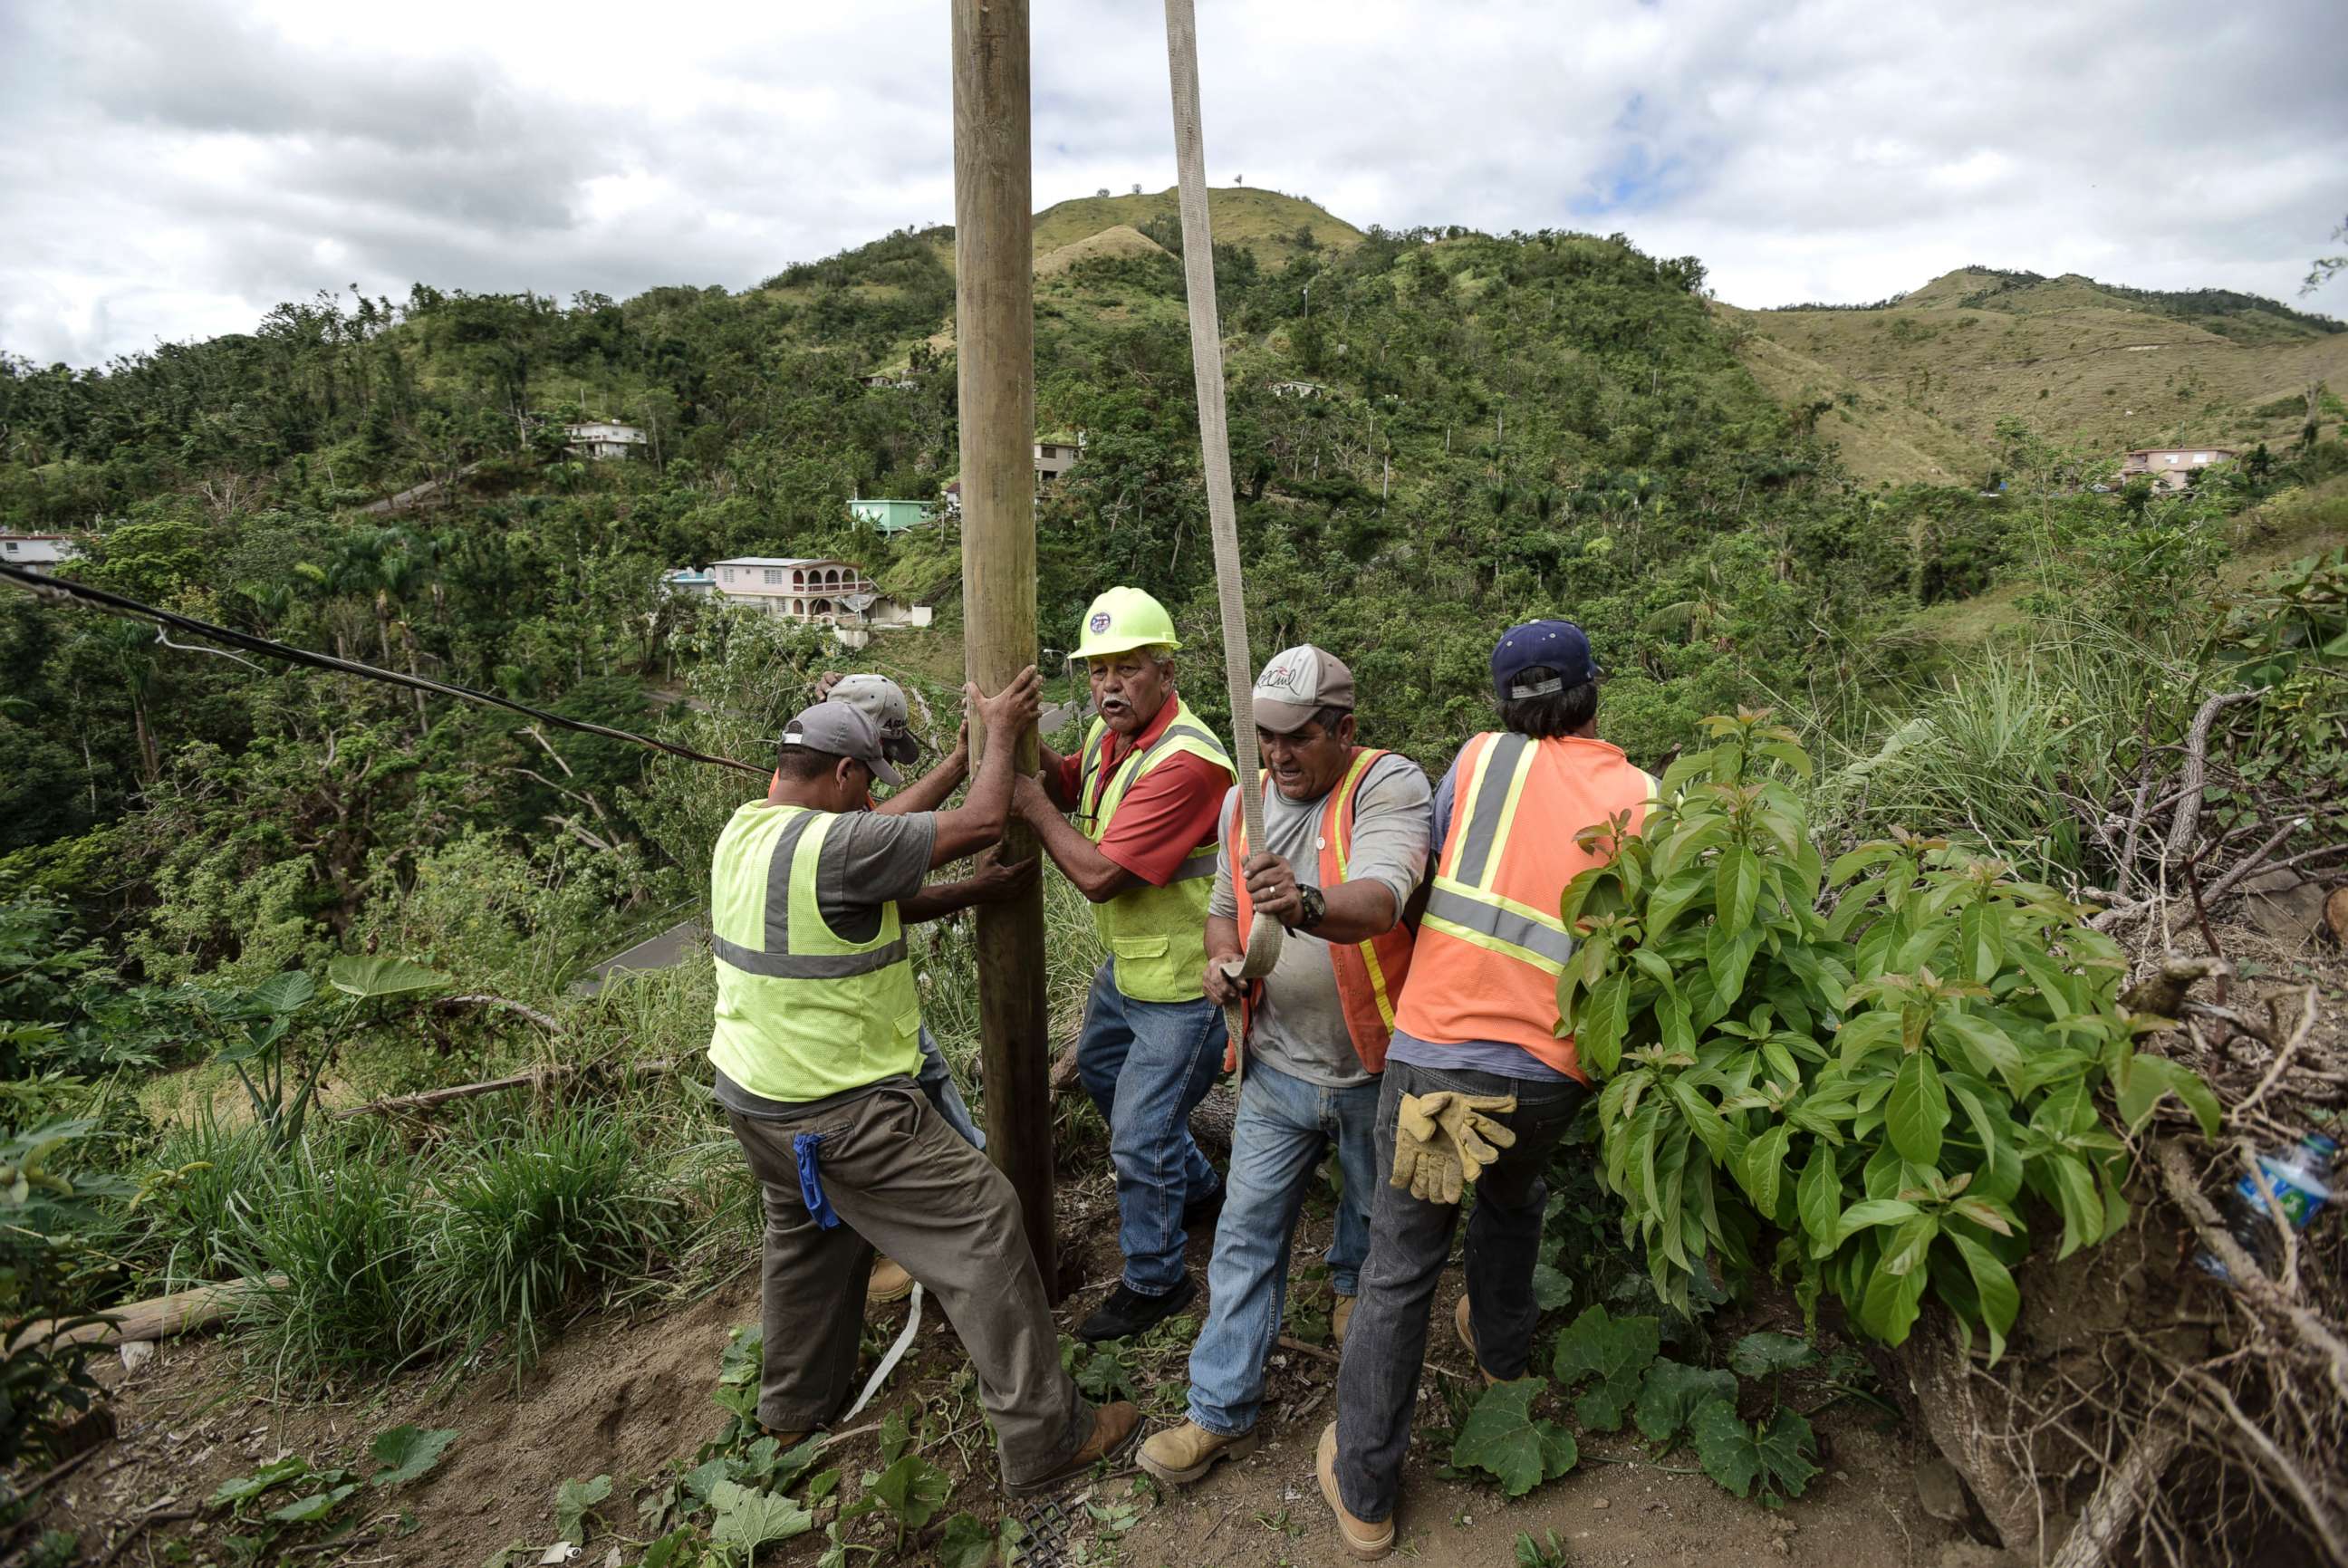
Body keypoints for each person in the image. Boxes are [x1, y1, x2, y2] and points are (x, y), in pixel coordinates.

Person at [708, 679, 1137, 1491]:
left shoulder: (748, 831)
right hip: (841, 1109)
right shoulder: (837, 845)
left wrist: (958, 800)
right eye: (864, 782)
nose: (872, 797)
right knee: (982, 1220)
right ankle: (1047, 1436)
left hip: (754, 1099)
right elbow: (969, 825)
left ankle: (794, 1405)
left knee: (809, 1237)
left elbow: (869, 865)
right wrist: (1003, 735)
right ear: (840, 774)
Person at [1320, 622, 1657, 1560]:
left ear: (1501, 704)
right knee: (1513, 1195)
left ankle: (1367, 1492)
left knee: (1400, 1268)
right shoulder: (1646, 797)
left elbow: (1421, 877)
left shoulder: (1477, 764)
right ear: (1594, 694)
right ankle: (1502, 1353)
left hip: (1444, 1077)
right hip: (1552, 1079)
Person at [1136, 646, 1429, 1488]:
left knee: (1376, 1224)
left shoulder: (1388, 786)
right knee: (1244, 1238)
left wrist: (1300, 902)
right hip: (1272, 1067)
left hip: (1376, 1066)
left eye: (1297, 738)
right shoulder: (1243, 802)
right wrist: (1221, 960)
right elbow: (1222, 914)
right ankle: (1216, 1412)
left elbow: (1382, 900)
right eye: (1265, 738)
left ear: (1344, 729)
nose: (1278, 756)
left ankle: (1349, 1290)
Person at [1013, 586, 1236, 1342]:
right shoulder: (1124, 738)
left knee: (1140, 1130)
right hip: (1132, 968)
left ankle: (1155, 1280)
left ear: (1165, 673)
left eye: (1128, 668)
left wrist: (1028, 803)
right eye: (1099, 669)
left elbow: (1102, 873)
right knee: (1103, 1074)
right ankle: (1198, 1189)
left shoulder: (1187, 763)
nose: (1109, 684)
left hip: (1184, 984)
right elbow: (1075, 783)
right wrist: (1019, 742)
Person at [823, 670, 1024, 1304]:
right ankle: (972, 1260)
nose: (882, 774)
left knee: (940, 1119)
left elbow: (882, 825)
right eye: (878, 758)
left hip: (871, 1022)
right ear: (847, 761)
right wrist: (1002, 734)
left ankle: (949, 1239)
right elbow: (984, 823)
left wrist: (960, 762)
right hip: (857, 1033)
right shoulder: (828, 828)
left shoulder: (808, 794)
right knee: (946, 1161)